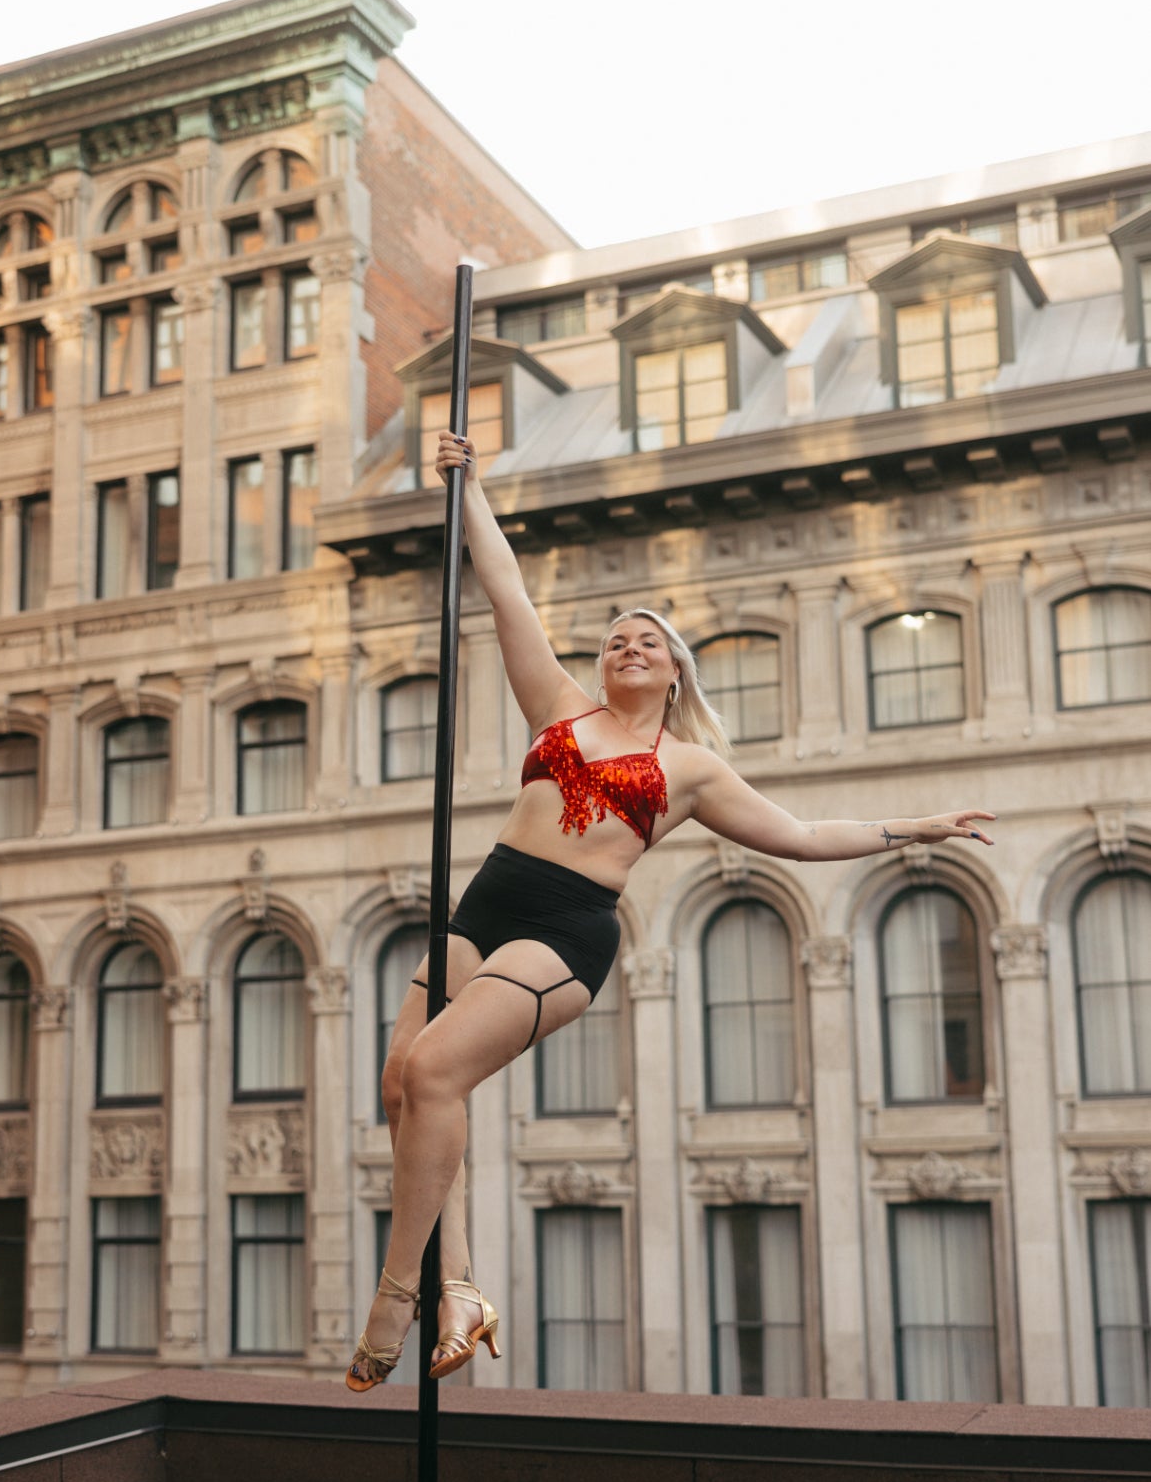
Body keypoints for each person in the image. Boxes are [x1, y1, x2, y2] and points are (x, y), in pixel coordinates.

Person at [345, 431, 996, 1391]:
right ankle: (462, 1284)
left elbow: (803, 836)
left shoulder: (690, 768)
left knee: (437, 1067)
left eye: (647, 640)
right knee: (403, 1085)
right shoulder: (558, 709)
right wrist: (469, 485)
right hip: (484, 903)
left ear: (675, 670)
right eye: (616, 637)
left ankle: (397, 1293)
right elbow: (505, 590)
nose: (628, 646)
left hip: (562, 930)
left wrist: (918, 827)